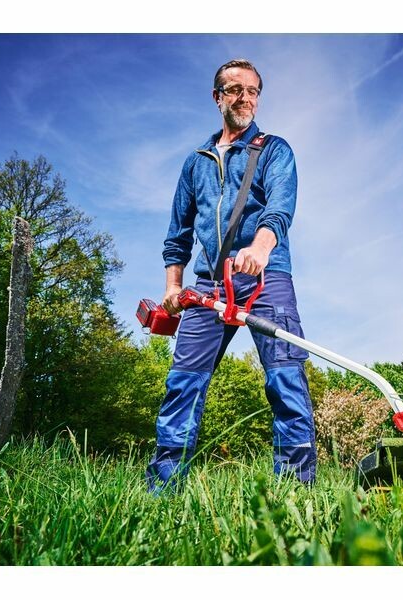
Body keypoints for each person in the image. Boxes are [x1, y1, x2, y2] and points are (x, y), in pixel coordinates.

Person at [145, 59, 316, 494]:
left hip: (266, 277)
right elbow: (178, 232)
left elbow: (279, 207)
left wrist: (259, 248)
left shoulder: (274, 150)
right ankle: (163, 490)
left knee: (285, 380)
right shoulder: (195, 163)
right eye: (235, 90)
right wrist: (173, 286)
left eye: (253, 91)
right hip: (208, 284)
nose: (245, 98)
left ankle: (294, 493)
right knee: (183, 384)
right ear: (217, 97)